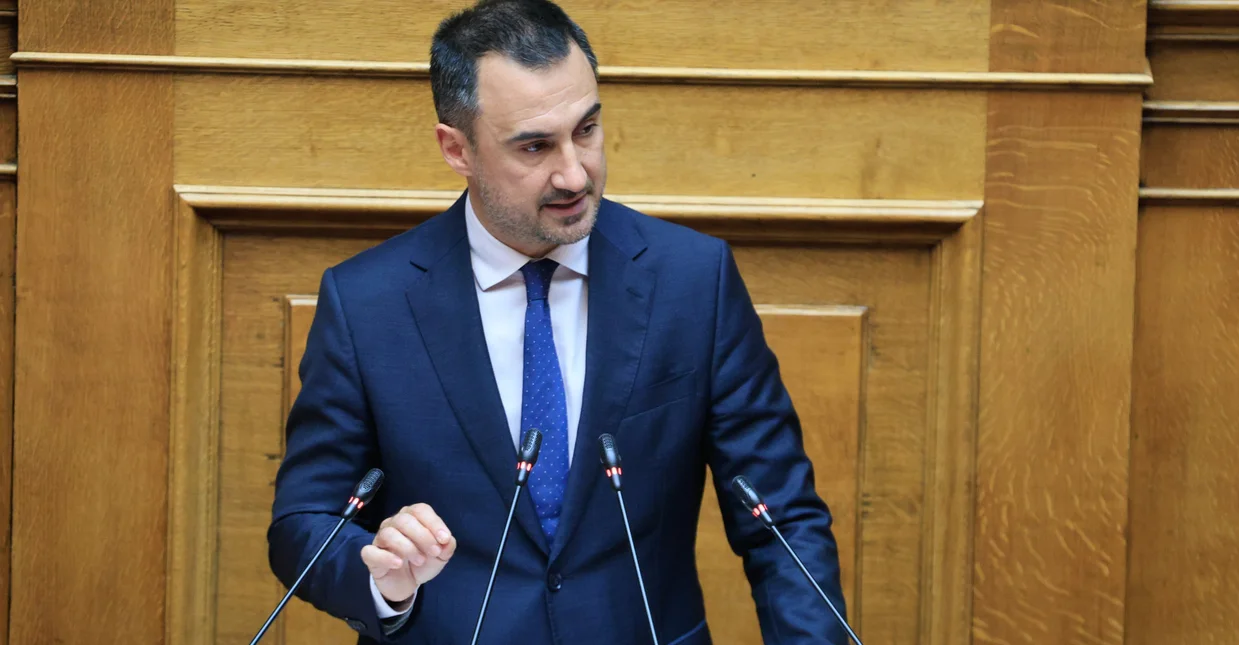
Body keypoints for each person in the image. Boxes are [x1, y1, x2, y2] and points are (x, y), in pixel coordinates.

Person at [267, 1, 847, 643]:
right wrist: (381, 576)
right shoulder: (368, 303)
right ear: (457, 149)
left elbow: (781, 520)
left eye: (587, 129)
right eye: (535, 146)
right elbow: (304, 522)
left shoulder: (692, 281)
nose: (574, 173)